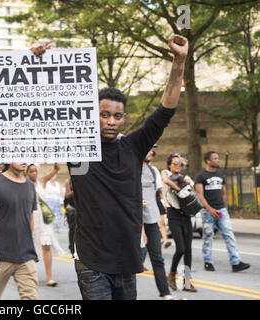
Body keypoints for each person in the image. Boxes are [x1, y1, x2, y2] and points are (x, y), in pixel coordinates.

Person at [31, 33, 188, 300]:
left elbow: (165, 111)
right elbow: (47, 107)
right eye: (104, 115)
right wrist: (39, 62)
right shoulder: (77, 145)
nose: (111, 121)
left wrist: (179, 60)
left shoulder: (135, 145)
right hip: (90, 257)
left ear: (124, 118)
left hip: (126, 255)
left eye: (117, 116)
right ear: (92, 114)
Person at [0, 162, 39, 300]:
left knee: (31, 298)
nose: (23, 160)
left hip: (26, 255)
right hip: (0, 256)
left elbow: (30, 219)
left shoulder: (30, 186)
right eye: (18, 156)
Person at [195, 151, 250, 272]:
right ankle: (208, 262)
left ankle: (236, 262)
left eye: (218, 158)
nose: (218, 160)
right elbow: (200, 196)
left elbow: (224, 194)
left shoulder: (220, 175)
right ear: (208, 161)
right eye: (215, 158)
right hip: (207, 212)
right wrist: (209, 209)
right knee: (208, 236)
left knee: (229, 235)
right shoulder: (201, 176)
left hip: (221, 211)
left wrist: (225, 209)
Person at [161, 153, 197, 293]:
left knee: (188, 250)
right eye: (175, 163)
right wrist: (179, 188)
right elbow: (166, 181)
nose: (177, 166)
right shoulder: (165, 173)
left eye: (180, 164)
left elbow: (192, 188)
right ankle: (172, 274)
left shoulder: (185, 177)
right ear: (169, 164)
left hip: (185, 214)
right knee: (180, 248)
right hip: (173, 214)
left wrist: (188, 184)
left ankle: (187, 281)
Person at [141, 148, 174, 300]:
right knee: (133, 260)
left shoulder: (153, 170)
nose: (151, 153)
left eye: (153, 151)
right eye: (148, 149)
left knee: (157, 258)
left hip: (151, 220)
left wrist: (160, 215)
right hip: (133, 221)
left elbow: (157, 194)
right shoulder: (129, 169)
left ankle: (165, 292)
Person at [27, 163, 64, 287]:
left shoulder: (42, 181)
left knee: (46, 246)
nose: (34, 173)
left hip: (43, 219)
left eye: (35, 171)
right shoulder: (22, 185)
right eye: (31, 171)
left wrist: (56, 167)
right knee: (30, 249)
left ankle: (49, 278)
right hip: (30, 219)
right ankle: (30, 277)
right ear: (26, 172)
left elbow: (54, 171)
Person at [64, 177, 76, 257]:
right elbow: (67, 195)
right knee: (73, 230)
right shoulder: (68, 181)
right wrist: (76, 190)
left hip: (81, 208)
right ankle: (72, 249)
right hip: (72, 209)